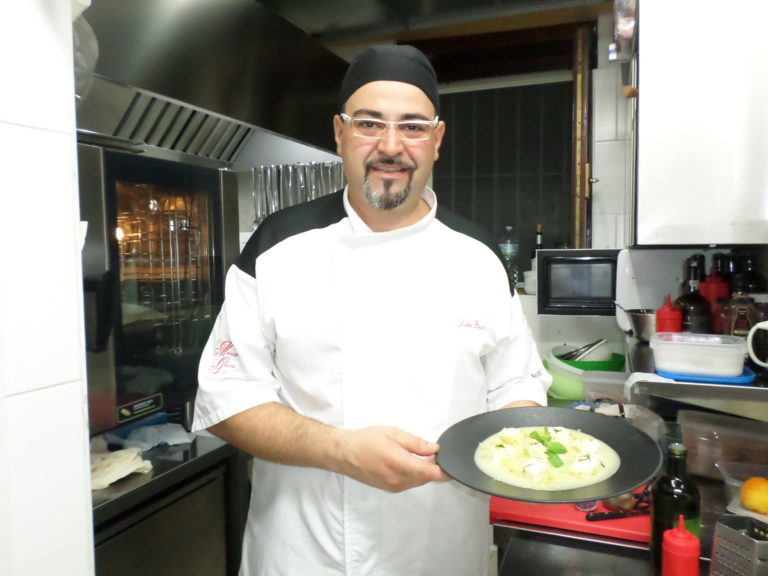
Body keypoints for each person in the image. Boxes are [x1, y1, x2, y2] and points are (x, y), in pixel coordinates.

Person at [192, 44, 551, 576]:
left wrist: (520, 445)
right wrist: (341, 451)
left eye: (411, 127)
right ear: (339, 133)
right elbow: (226, 399)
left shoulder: (478, 258)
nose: (390, 146)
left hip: (442, 548)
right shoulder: (276, 248)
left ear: (436, 140)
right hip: (305, 554)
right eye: (368, 124)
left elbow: (516, 384)